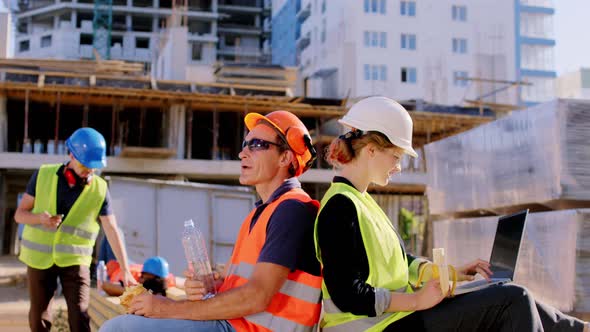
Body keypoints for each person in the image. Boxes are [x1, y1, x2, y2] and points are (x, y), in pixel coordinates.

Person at [314, 96, 588, 332]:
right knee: (512, 299)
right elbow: (348, 293)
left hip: (393, 320)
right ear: (371, 150)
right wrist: (418, 301)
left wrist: (449, 273)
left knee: (507, 295)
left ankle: (580, 328)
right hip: (377, 326)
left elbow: (401, 262)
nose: (398, 167)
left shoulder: (360, 201)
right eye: (396, 157)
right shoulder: (340, 207)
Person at [100, 110, 323, 332]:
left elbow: (257, 296)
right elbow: (241, 286)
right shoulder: (262, 213)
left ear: (285, 157)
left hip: (246, 329)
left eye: (256, 145)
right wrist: (211, 287)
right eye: (245, 144)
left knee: (120, 329)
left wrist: (166, 308)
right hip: (236, 324)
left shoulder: (292, 211)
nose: (242, 153)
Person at [15, 127, 136, 332]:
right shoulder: (43, 175)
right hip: (39, 259)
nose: (90, 170)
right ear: (71, 154)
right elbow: (19, 214)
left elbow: (112, 229)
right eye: (85, 164)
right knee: (39, 318)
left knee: (80, 315)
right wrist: (39, 219)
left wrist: (125, 269)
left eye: (94, 166)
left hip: (75, 261)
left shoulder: (100, 188)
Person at [102, 256, 174, 297]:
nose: (141, 278)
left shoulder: (165, 280)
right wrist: (136, 292)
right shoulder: (133, 277)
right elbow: (105, 285)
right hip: (113, 268)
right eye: (142, 276)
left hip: (127, 266)